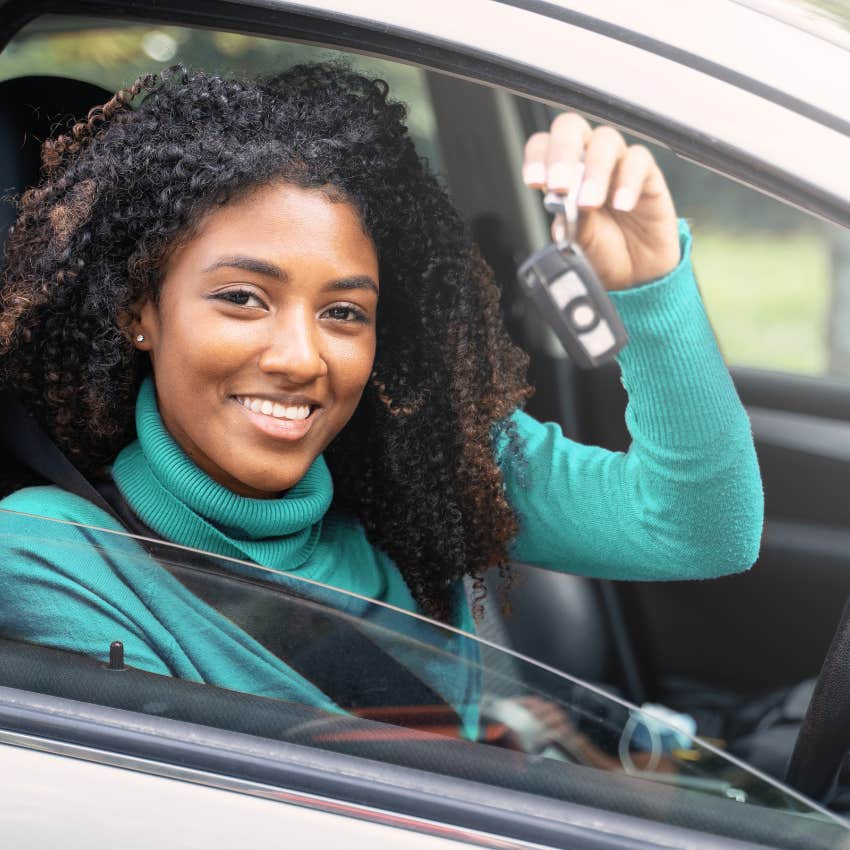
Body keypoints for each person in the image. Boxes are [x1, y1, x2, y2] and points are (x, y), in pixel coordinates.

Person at [0, 64, 762, 725]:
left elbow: (704, 529)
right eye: (242, 298)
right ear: (141, 310)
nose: (301, 359)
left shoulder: (420, 467)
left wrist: (651, 286)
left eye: (343, 313)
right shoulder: (54, 554)